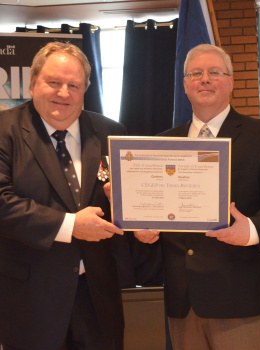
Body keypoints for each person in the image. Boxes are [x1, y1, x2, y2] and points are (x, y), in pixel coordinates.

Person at [131, 44, 260, 349]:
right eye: (195, 73)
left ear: (231, 82)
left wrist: (251, 230)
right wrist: (144, 227)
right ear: (185, 85)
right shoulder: (162, 143)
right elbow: (155, 209)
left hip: (243, 302)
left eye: (214, 73)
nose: (204, 79)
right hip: (184, 304)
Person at [0, 42, 126, 350]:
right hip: (30, 301)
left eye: (74, 85)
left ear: (85, 89)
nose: (63, 93)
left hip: (98, 300)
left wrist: (142, 222)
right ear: (33, 83)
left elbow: (131, 201)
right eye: (54, 82)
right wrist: (69, 225)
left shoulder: (111, 132)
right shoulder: (4, 130)